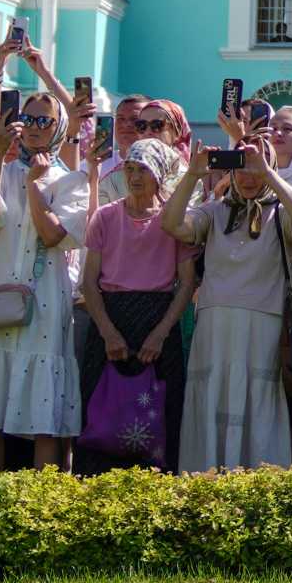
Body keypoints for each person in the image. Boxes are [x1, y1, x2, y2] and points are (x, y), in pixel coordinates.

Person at [0, 90, 89, 469]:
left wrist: (32, 185)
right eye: (29, 119)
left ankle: (42, 508)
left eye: (45, 121)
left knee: (43, 420)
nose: (35, 128)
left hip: (44, 301)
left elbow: (53, 236)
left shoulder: (72, 179)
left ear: (59, 127)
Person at [163, 131, 292, 470]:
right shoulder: (215, 211)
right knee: (212, 403)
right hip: (216, 327)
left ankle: (257, 492)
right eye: (242, 167)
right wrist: (192, 175)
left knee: (258, 405)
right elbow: (172, 224)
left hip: (263, 325)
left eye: (255, 167)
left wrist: (268, 175)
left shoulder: (281, 211)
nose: (248, 176)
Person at [77, 135, 198, 469]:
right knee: (101, 411)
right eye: (130, 168)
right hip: (111, 316)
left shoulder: (174, 221)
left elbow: (186, 284)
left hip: (158, 318)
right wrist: (107, 332)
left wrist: (160, 333)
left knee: (159, 417)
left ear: (158, 172)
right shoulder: (104, 217)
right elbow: (89, 281)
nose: (134, 176)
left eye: (143, 169)